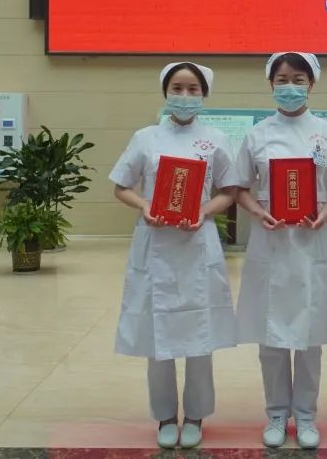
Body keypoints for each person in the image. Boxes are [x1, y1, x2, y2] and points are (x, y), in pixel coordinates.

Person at [109, 62, 239, 450]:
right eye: (177, 88)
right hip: (155, 243)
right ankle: (165, 415)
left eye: (193, 89)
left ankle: (196, 414)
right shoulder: (145, 137)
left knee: (199, 334)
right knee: (158, 335)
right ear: (165, 92)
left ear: (204, 95)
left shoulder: (215, 139)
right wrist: (145, 205)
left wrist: (203, 211)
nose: (184, 96)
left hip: (197, 244)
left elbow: (229, 190)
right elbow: (121, 186)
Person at [235, 52, 327, 449]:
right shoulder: (257, 135)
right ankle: (275, 414)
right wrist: (258, 212)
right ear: (271, 84)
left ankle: (305, 415)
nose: (290, 86)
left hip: (312, 241)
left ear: (311, 84)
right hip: (270, 241)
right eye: (282, 79)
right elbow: (239, 188)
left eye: (298, 79)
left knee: (309, 337)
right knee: (270, 337)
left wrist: (326, 213)